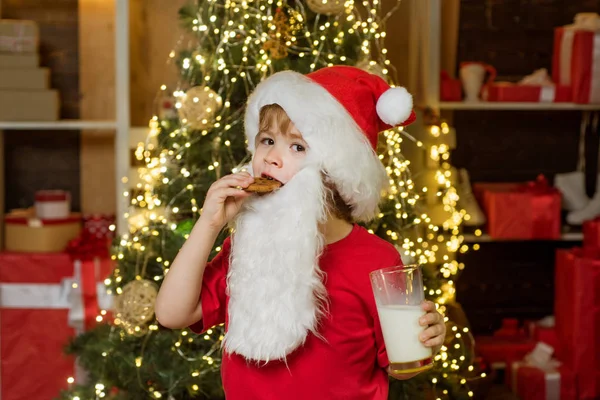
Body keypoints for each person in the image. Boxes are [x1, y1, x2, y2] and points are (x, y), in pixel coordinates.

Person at [155, 65, 446, 400]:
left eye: (297, 147)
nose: (271, 159)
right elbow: (171, 313)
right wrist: (209, 223)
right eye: (267, 141)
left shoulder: (377, 259)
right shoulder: (249, 247)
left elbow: (403, 363)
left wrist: (425, 339)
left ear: (336, 170)